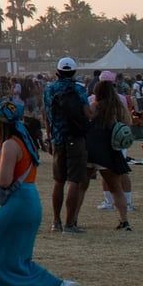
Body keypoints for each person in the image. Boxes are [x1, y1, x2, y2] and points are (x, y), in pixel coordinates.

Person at [0, 102, 79, 286]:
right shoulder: (24, 141)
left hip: (18, 202)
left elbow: (4, 181)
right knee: (16, 256)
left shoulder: (9, 145)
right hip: (29, 198)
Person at [43, 57, 92, 235]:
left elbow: (47, 117)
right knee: (74, 180)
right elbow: (88, 113)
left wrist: (49, 138)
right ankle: (69, 224)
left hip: (57, 138)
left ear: (57, 72)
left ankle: (56, 221)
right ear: (74, 72)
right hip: (75, 137)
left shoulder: (49, 89)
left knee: (58, 181)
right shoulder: (78, 89)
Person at [84, 80, 136, 231]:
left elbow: (87, 118)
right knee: (116, 188)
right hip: (111, 150)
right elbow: (127, 122)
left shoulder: (96, 105)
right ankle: (124, 220)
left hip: (93, 148)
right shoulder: (118, 107)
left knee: (81, 186)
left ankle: (72, 219)